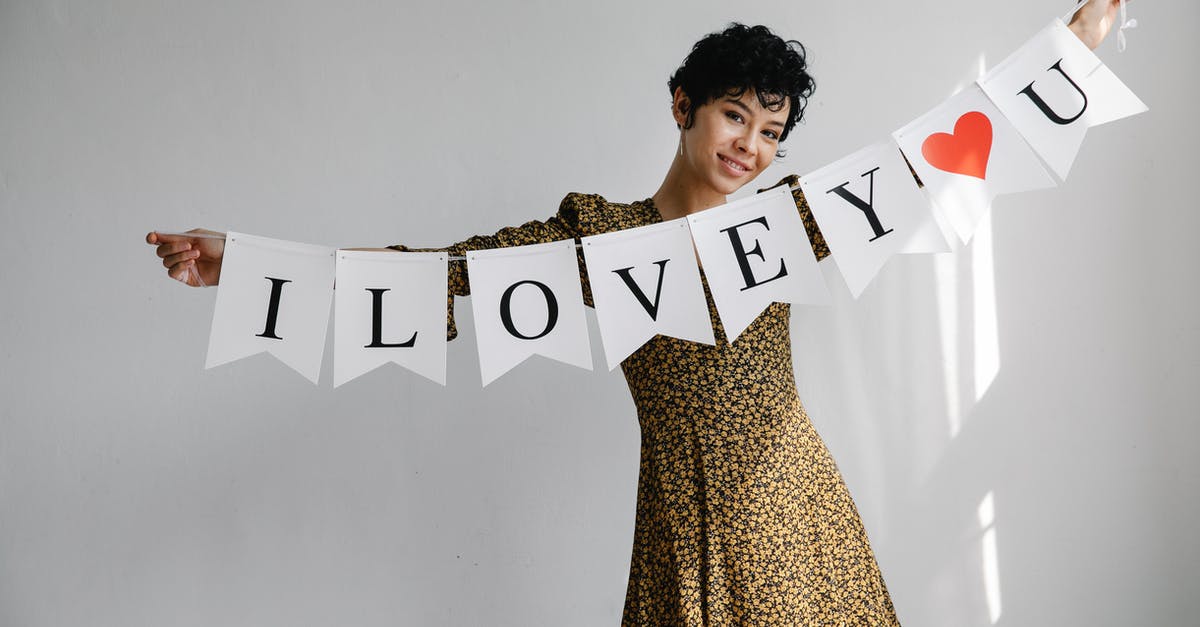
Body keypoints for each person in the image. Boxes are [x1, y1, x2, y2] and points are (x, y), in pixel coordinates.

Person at [146, 3, 1124, 624]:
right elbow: (446, 276)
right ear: (683, 105)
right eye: (735, 114)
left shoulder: (785, 224)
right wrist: (246, 264)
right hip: (677, 526)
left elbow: (928, 169)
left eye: (772, 132)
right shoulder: (599, 235)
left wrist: (1070, 50)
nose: (751, 144)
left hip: (793, 509)